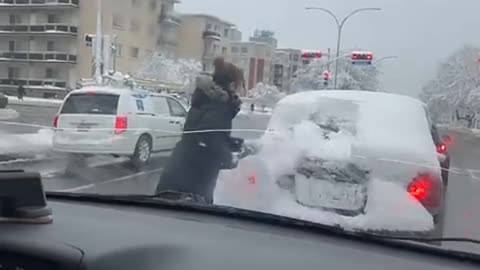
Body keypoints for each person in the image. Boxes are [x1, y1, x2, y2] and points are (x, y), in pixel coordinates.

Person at [154, 59, 243, 204]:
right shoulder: (219, 104)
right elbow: (208, 139)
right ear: (231, 84)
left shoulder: (205, 99)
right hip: (194, 177)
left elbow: (204, 134)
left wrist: (235, 144)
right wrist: (229, 158)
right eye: (237, 85)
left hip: (180, 168)